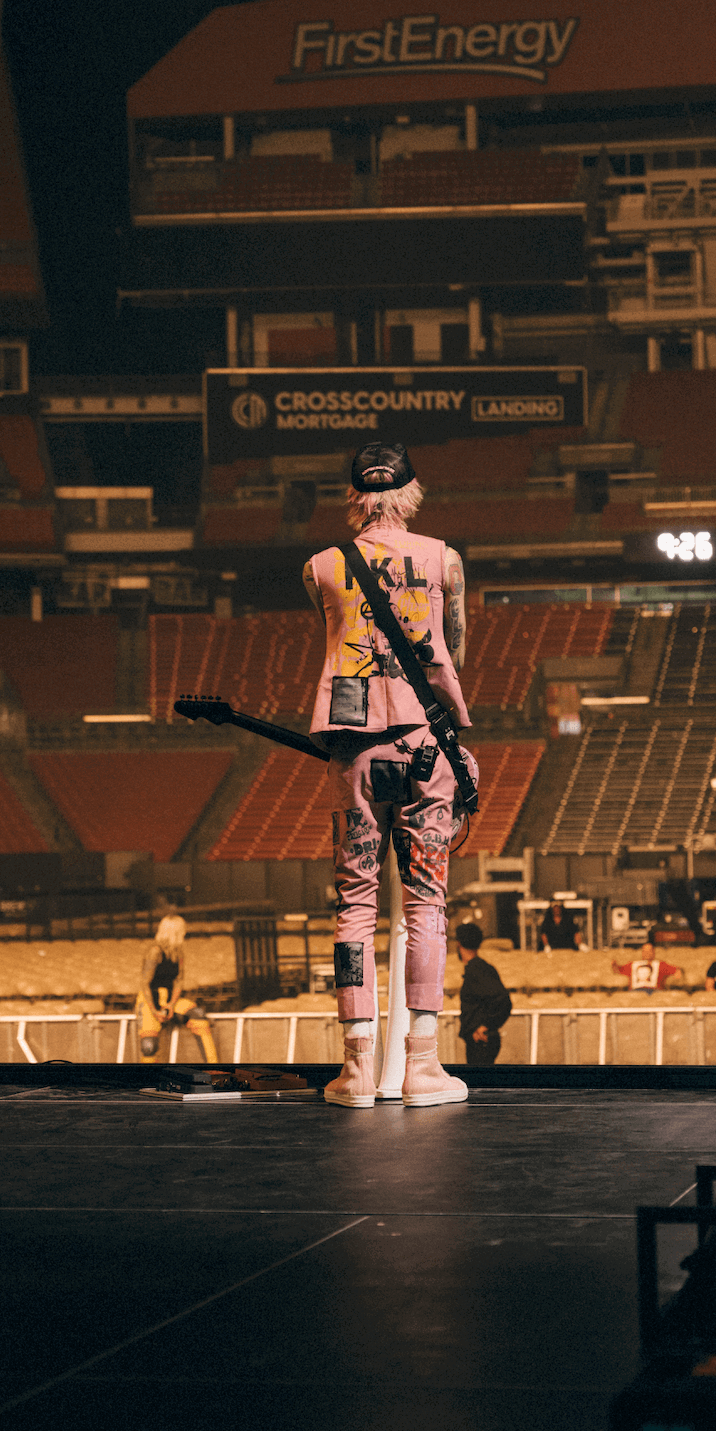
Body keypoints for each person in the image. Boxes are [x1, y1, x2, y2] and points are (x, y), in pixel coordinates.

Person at [303, 440, 475, 1109]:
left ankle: (356, 1069)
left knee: (354, 905)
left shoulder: (321, 566)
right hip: (425, 744)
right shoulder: (443, 559)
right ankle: (422, 1066)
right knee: (426, 902)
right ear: (412, 492)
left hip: (353, 750)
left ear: (355, 496)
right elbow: (454, 651)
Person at [136, 915, 216, 1063]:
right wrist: (154, 1010)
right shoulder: (155, 951)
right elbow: (145, 983)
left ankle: (214, 1067)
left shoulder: (178, 953)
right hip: (149, 999)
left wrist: (171, 1004)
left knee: (198, 1016)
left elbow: (179, 981)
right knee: (149, 1046)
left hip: (169, 998)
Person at [455, 923, 513, 1066]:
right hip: (478, 1041)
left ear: (459, 944)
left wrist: (486, 1025)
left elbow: (503, 999)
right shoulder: (480, 968)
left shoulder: (478, 970)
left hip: (481, 1042)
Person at [611, 942, 680, 993]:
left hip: (655, 991)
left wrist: (677, 975)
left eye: (649, 951)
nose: (647, 953)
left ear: (653, 952)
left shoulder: (661, 964)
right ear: (642, 952)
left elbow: (676, 970)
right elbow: (618, 970)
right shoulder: (633, 964)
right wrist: (614, 965)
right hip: (636, 991)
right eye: (645, 951)